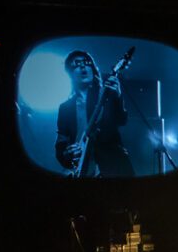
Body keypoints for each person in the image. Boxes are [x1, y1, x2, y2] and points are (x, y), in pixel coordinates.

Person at [54, 49, 134, 177]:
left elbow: (122, 120)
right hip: (83, 170)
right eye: (76, 64)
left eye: (86, 62)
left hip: (113, 166)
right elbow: (60, 145)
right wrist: (66, 154)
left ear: (93, 69)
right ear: (70, 73)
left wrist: (118, 96)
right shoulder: (65, 108)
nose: (83, 66)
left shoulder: (107, 93)